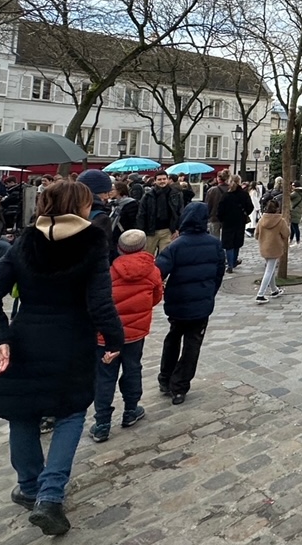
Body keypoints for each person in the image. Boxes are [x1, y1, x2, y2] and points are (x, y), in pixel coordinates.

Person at [0, 180, 125, 536]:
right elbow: (101, 302)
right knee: (70, 414)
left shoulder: (26, 239)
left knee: (22, 413)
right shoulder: (92, 241)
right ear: (81, 207)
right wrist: (115, 340)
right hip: (72, 339)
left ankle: (29, 487)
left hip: (25, 337)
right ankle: (50, 495)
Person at [90, 229, 163, 443]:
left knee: (105, 376)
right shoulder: (153, 271)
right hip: (135, 334)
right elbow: (156, 297)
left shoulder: (107, 272)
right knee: (133, 369)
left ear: (120, 248)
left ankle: (102, 423)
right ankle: (131, 410)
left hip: (106, 335)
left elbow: (96, 302)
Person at [155, 203, 224, 404]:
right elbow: (219, 273)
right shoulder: (214, 244)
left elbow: (158, 272)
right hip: (201, 303)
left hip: (178, 302)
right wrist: (209, 293)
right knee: (192, 344)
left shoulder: (176, 246)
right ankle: (179, 386)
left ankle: (165, 377)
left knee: (174, 338)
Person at [253, 198, 289, 303]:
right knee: (269, 270)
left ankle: (274, 290)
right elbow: (286, 234)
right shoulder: (280, 221)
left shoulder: (261, 220)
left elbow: (256, 234)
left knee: (270, 268)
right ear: (277, 209)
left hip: (264, 247)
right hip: (275, 247)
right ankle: (260, 294)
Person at [216, 175, 254, 273]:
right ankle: (233, 261)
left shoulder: (226, 195)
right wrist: (244, 213)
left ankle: (230, 264)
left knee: (228, 244)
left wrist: (222, 219)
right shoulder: (244, 194)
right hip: (239, 221)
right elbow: (250, 207)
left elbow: (220, 210)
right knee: (237, 242)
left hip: (228, 222)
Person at [140, 172, 183, 255]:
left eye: (164, 179)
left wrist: (177, 229)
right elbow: (142, 213)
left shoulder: (176, 194)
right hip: (150, 230)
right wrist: (141, 231)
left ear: (167, 180)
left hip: (168, 230)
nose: (162, 181)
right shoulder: (148, 195)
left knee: (166, 256)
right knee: (147, 256)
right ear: (155, 181)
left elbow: (180, 212)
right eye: (159, 179)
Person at [76, 169, 116, 252]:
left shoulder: (64, 210)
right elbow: (104, 250)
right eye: (105, 192)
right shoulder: (101, 218)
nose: (107, 197)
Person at [204, 170, 230, 236]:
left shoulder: (212, 190)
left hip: (214, 217)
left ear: (218, 178)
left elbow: (207, 205)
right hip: (228, 217)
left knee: (214, 238)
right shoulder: (231, 189)